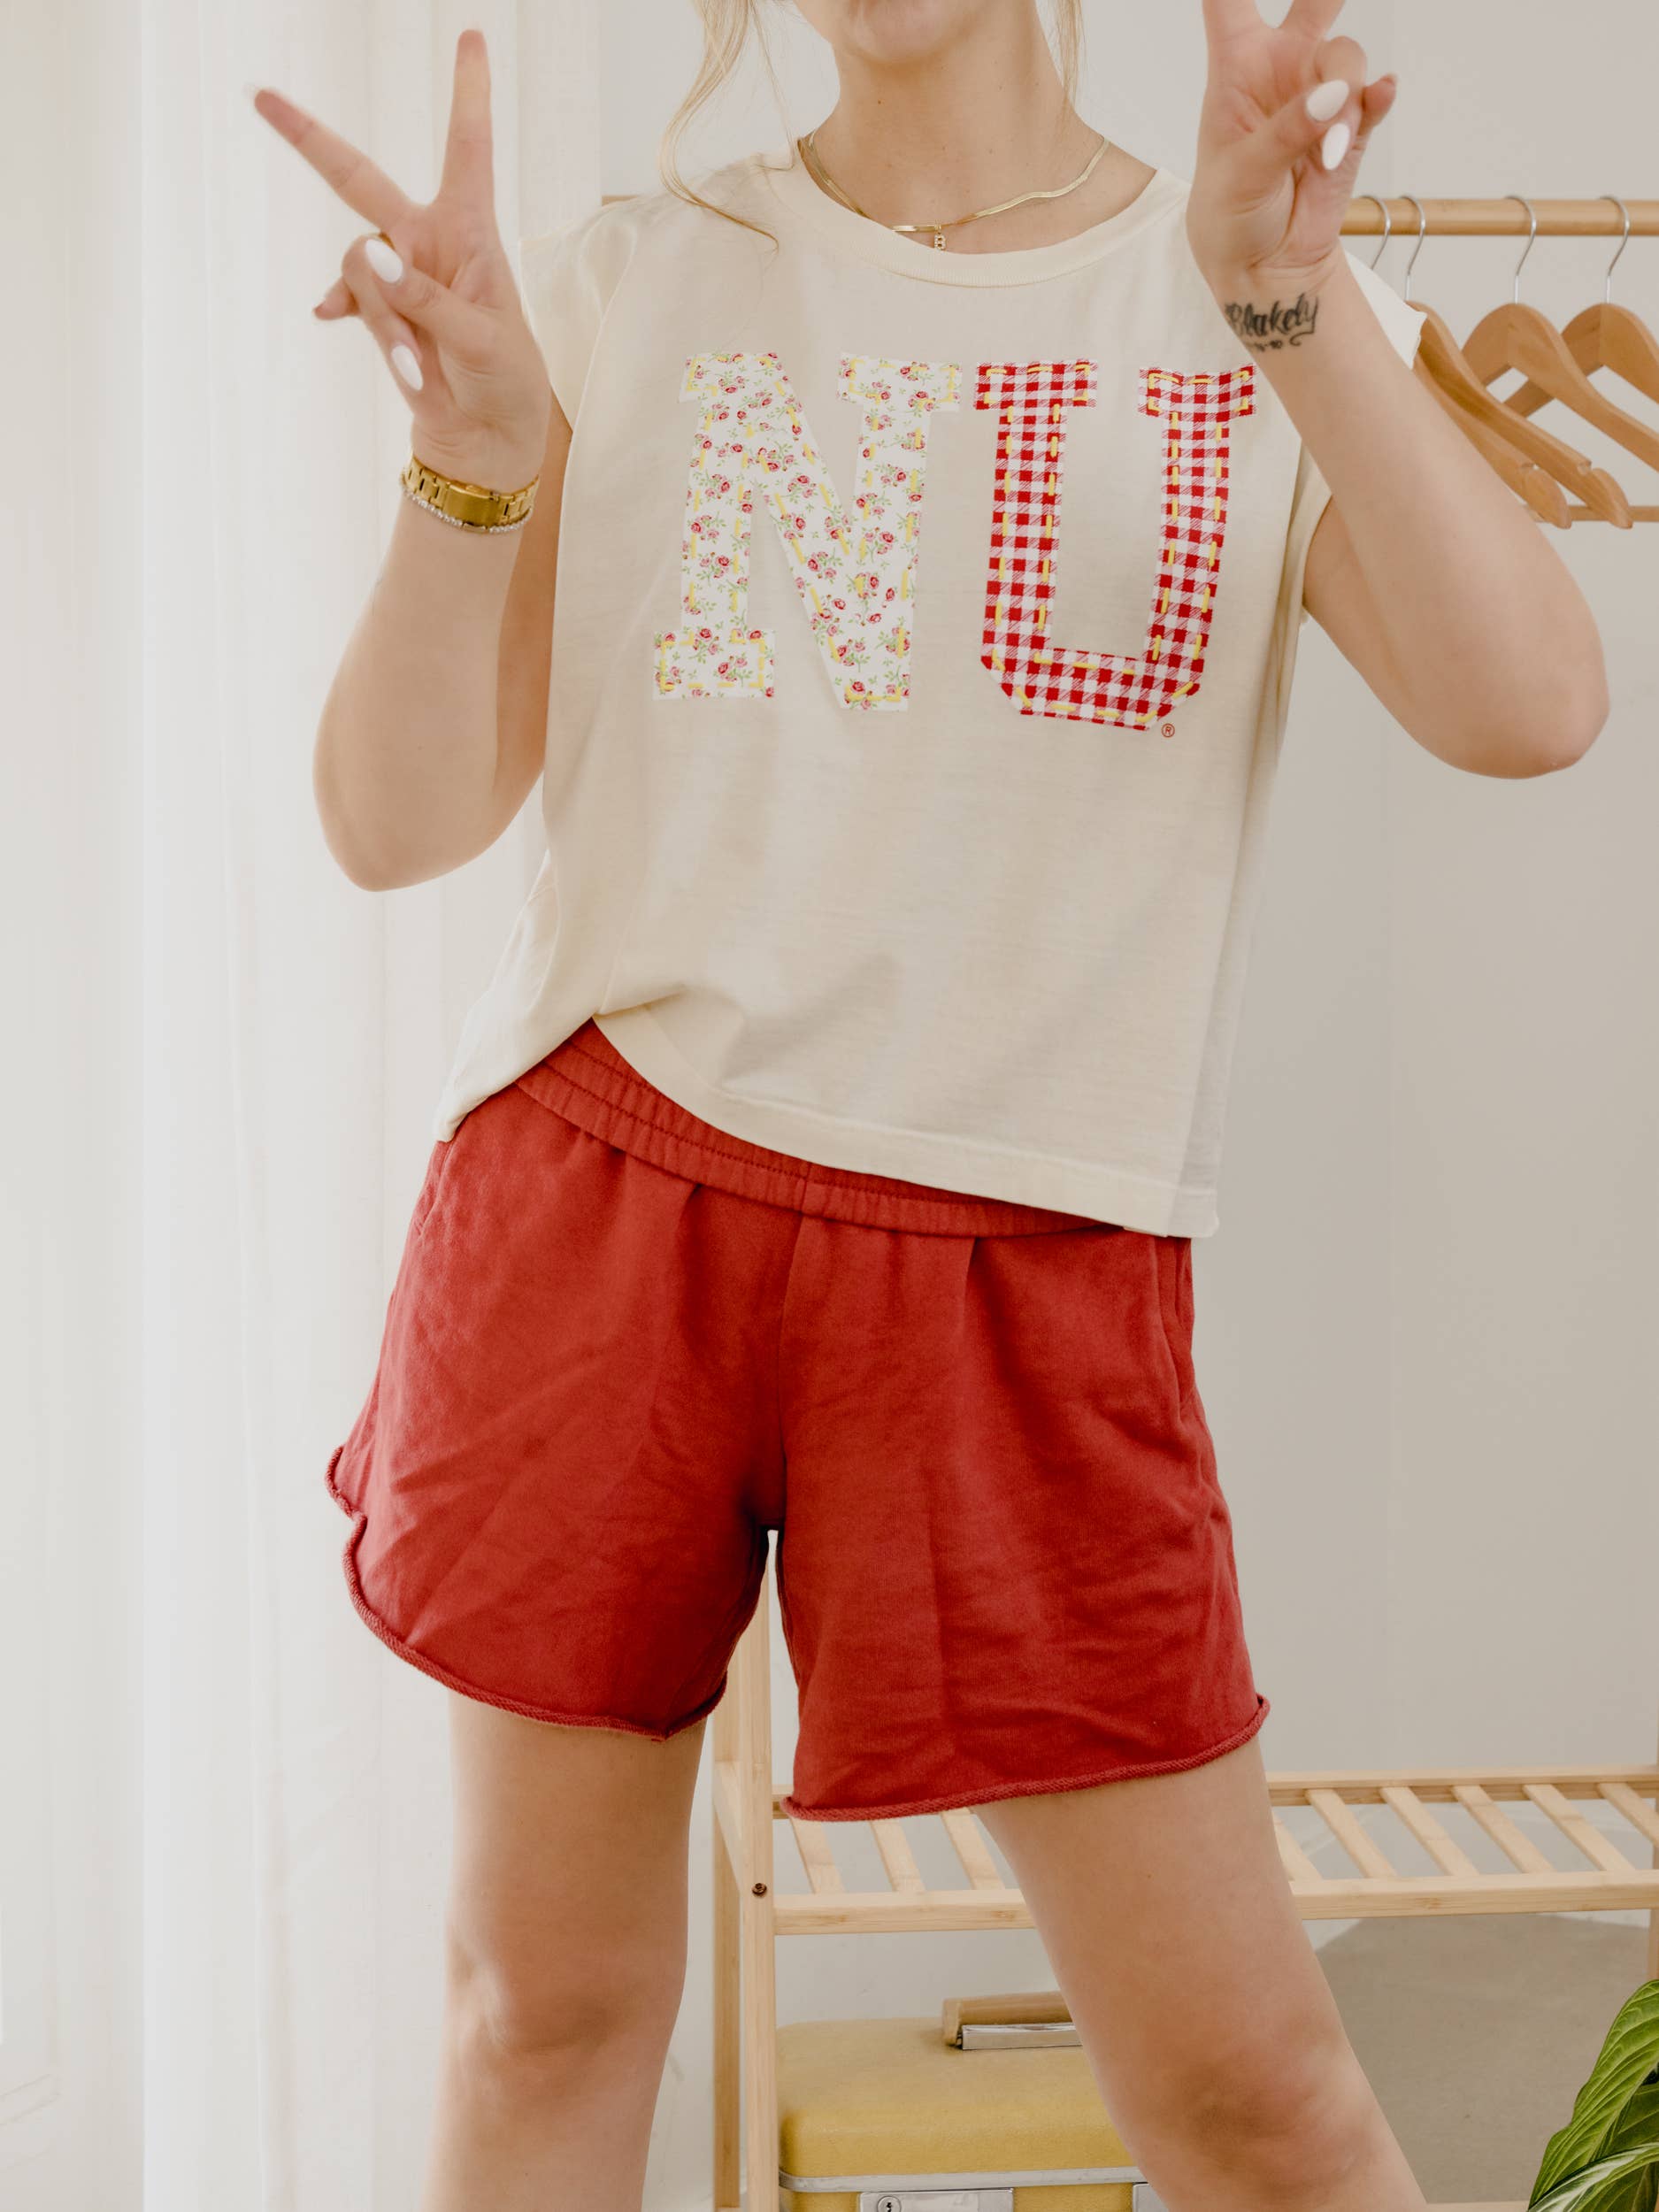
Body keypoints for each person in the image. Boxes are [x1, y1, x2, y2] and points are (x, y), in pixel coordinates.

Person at [255, 4, 1606, 2207]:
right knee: (542, 2017)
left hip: (1021, 1254)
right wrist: (471, 457)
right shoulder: (631, 279)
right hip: (604, 1203)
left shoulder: (1253, 280)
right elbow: (390, 820)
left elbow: (1529, 703)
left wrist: (1284, 303)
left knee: (1250, 2096)